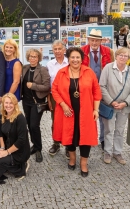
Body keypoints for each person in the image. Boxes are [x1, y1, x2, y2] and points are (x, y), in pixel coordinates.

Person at [52, 47, 101, 177]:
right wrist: (63, 105)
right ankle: (72, 159)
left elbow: (97, 92)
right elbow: (54, 90)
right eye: (72, 57)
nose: (75, 60)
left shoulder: (89, 72)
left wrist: (96, 109)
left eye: (77, 57)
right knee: (70, 136)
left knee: (86, 137)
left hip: (86, 111)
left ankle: (83, 163)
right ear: (69, 58)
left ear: (82, 58)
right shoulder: (62, 72)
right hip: (68, 111)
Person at [99, 47, 130, 165]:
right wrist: (111, 101)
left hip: (124, 107)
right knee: (109, 130)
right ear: (116, 56)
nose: (123, 57)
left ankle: (117, 152)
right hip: (110, 105)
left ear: (128, 58)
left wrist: (125, 103)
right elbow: (102, 86)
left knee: (120, 130)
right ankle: (108, 152)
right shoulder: (108, 68)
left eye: (126, 56)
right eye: (121, 55)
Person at [0, 94, 31, 186]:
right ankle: (11, 165)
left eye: (11, 103)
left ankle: (21, 167)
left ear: (15, 104)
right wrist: (2, 148)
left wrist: (7, 152)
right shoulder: (3, 115)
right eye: (6, 103)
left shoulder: (20, 118)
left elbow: (21, 141)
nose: (8, 105)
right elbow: (0, 134)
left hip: (20, 151)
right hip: (8, 146)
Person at [81, 29, 113, 150]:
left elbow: (112, 68)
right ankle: (87, 138)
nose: (94, 42)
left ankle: (103, 139)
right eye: (92, 40)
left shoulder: (108, 52)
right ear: (88, 40)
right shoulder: (82, 51)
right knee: (87, 114)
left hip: (103, 88)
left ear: (101, 41)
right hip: (87, 88)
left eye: (97, 40)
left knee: (103, 114)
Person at [21, 48, 51, 163]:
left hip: (37, 102)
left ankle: (38, 149)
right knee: (29, 124)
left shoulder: (42, 70)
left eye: (35, 56)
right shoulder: (25, 68)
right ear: (28, 57)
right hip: (26, 101)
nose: (32, 58)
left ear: (38, 58)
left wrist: (33, 85)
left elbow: (47, 87)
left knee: (34, 125)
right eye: (31, 56)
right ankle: (34, 145)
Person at [46, 40, 69, 156]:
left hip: (69, 96)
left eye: (60, 49)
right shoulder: (49, 64)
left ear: (64, 50)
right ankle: (56, 143)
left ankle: (68, 145)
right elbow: (48, 84)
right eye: (55, 49)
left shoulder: (70, 62)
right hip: (55, 96)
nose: (57, 51)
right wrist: (49, 99)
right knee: (55, 121)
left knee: (69, 121)